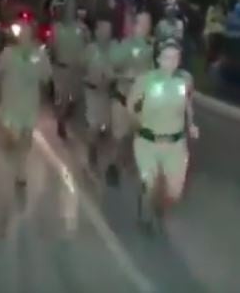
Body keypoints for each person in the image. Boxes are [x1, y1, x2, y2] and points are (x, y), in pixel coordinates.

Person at [127, 39, 199, 234]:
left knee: (174, 192)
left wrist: (191, 124)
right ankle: (146, 212)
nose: (171, 62)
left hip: (175, 144)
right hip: (147, 142)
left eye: (175, 57)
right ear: (158, 59)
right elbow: (131, 106)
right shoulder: (145, 80)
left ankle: (159, 205)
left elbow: (188, 104)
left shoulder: (185, 80)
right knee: (149, 184)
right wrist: (136, 123)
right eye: (167, 57)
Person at [0, 21, 51, 233]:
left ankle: (20, 174)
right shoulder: (8, 54)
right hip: (10, 107)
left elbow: (46, 77)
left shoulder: (39, 55)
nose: (23, 37)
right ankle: (15, 176)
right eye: (21, 34)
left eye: (27, 34)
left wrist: (39, 74)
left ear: (32, 36)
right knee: (12, 142)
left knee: (25, 144)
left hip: (29, 107)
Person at [108, 12, 154, 186]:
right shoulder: (125, 45)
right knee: (120, 138)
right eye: (142, 24)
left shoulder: (151, 48)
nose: (145, 28)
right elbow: (114, 63)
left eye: (148, 24)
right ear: (135, 26)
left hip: (140, 102)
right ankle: (114, 165)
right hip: (123, 98)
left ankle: (142, 174)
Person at [51, 0, 90, 138]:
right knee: (63, 99)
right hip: (62, 69)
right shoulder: (57, 28)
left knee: (76, 98)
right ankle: (61, 123)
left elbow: (89, 45)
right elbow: (51, 48)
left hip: (78, 70)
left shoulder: (82, 28)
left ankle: (68, 117)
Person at [82, 15, 116, 169]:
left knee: (107, 125)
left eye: (108, 31)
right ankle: (92, 151)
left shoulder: (113, 50)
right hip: (92, 91)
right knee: (94, 125)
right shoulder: (90, 50)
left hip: (107, 94)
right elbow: (82, 65)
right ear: (96, 32)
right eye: (103, 30)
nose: (105, 33)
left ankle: (106, 154)